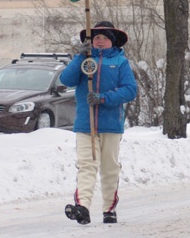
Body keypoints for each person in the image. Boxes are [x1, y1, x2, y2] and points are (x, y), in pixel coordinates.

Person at [62, 21, 138, 225]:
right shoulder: (84, 60)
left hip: (111, 125)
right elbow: (66, 79)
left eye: (104, 38)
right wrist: (79, 56)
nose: (100, 41)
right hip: (86, 125)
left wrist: (103, 98)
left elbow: (130, 90)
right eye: (96, 38)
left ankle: (108, 208)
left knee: (109, 167)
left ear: (112, 41)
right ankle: (83, 207)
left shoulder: (120, 62)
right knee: (86, 165)